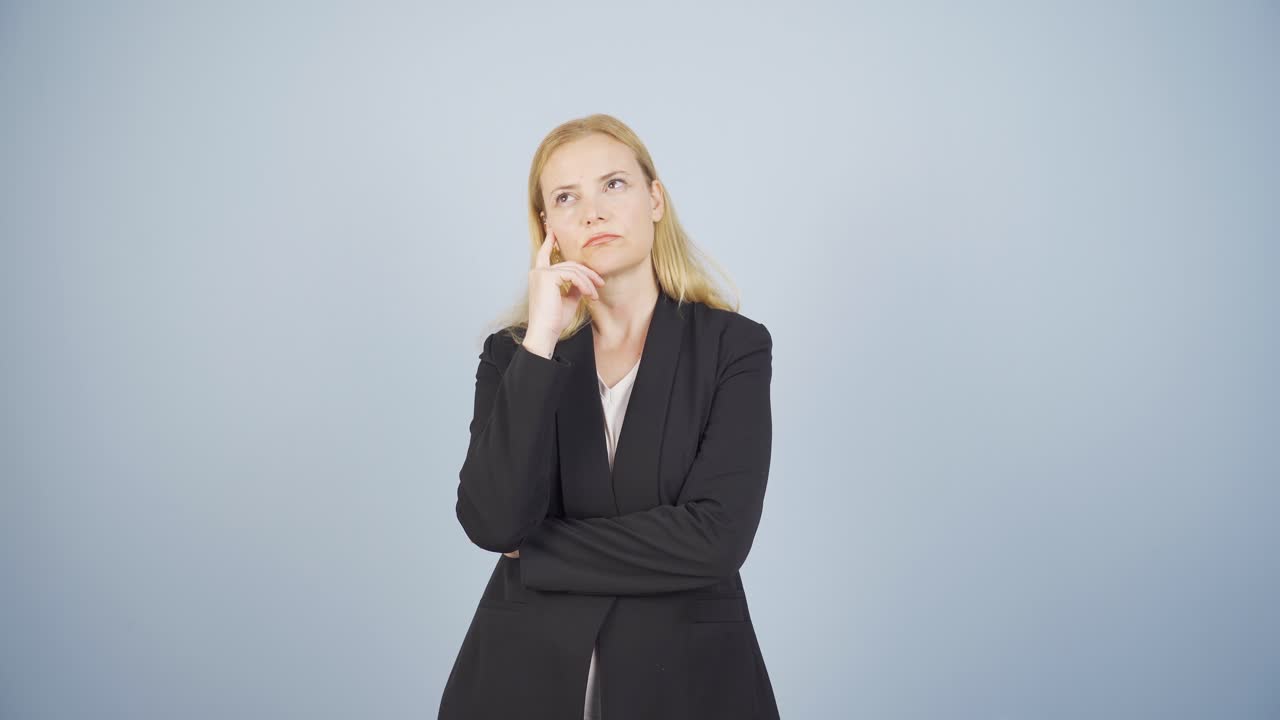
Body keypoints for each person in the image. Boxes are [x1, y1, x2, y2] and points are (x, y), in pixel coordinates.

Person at [438, 113, 780, 720]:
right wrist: (542, 336)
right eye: (565, 198)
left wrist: (537, 554)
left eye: (613, 185)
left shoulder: (734, 347)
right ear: (549, 229)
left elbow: (717, 539)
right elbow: (493, 523)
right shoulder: (514, 354)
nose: (592, 212)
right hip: (521, 680)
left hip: (691, 681)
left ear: (655, 199)